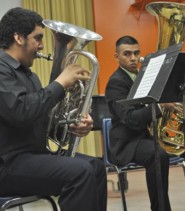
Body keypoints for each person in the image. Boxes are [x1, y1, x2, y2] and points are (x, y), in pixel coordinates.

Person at [0, 7, 107, 211]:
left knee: (96, 167)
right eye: (38, 38)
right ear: (18, 38)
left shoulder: (30, 75)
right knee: (80, 172)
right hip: (8, 164)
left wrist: (75, 125)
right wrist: (60, 83)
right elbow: (21, 113)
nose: (41, 46)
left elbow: (44, 124)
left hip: (33, 156)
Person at [105, 35, 173, 211]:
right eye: (127, 54)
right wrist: (160, 108)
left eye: (136, 53)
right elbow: (129, 118)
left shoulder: (142, 77)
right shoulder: (115, 83)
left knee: (161, 152)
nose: (133, 58)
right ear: (116, 57)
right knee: (157, 155)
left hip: (144, 137)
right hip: (126, 143)